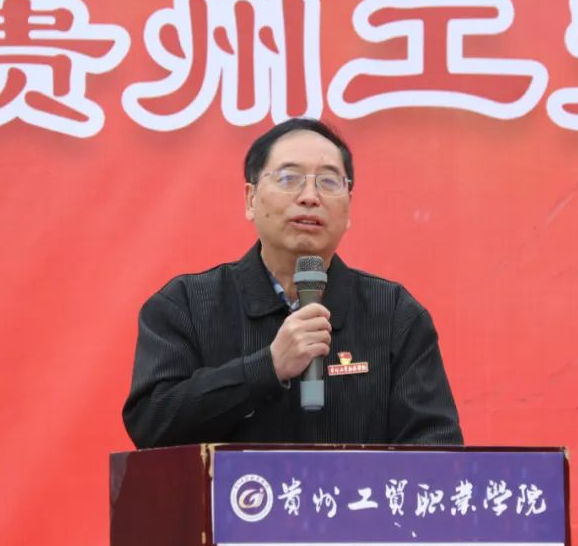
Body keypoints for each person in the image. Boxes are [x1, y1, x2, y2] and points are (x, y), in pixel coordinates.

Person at [122, 118, 463, 448]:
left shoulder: (394, 314)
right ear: (251, 199)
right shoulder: (185, 306)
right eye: (289, 178)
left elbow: (436, 448)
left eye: (328, 182)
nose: (310, 197)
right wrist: (267, 367)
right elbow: (151, 424)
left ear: (349, 208)